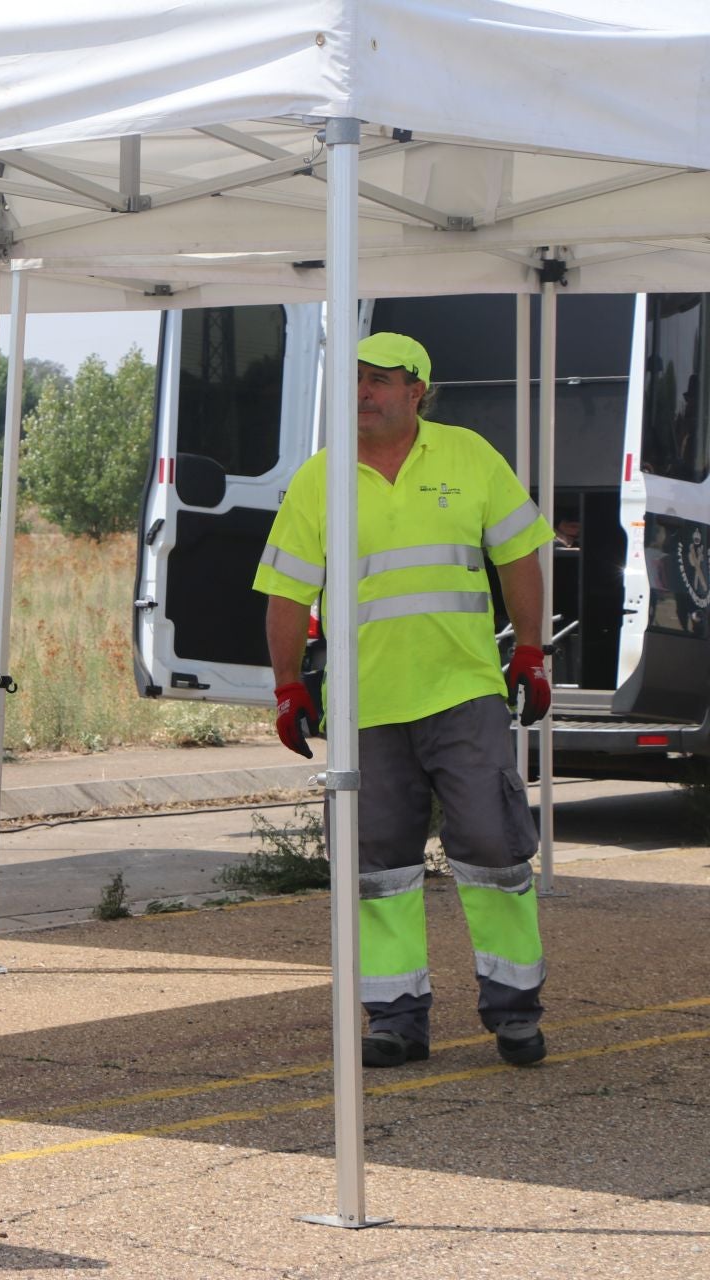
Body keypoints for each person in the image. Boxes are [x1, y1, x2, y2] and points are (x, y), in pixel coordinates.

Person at [256, 332, 554, 1073]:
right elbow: (287, 591)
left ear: (418, 389)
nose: (364, 392)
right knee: (377, 868)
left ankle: (514, 1013)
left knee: (492, 849)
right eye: (355, 379)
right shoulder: (320, 478)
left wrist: (528, 651)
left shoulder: (469, 455)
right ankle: (395, 1020)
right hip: (366, 708)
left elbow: (519, 556)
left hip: (463, 693)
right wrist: (289, 683)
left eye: (380, 380)